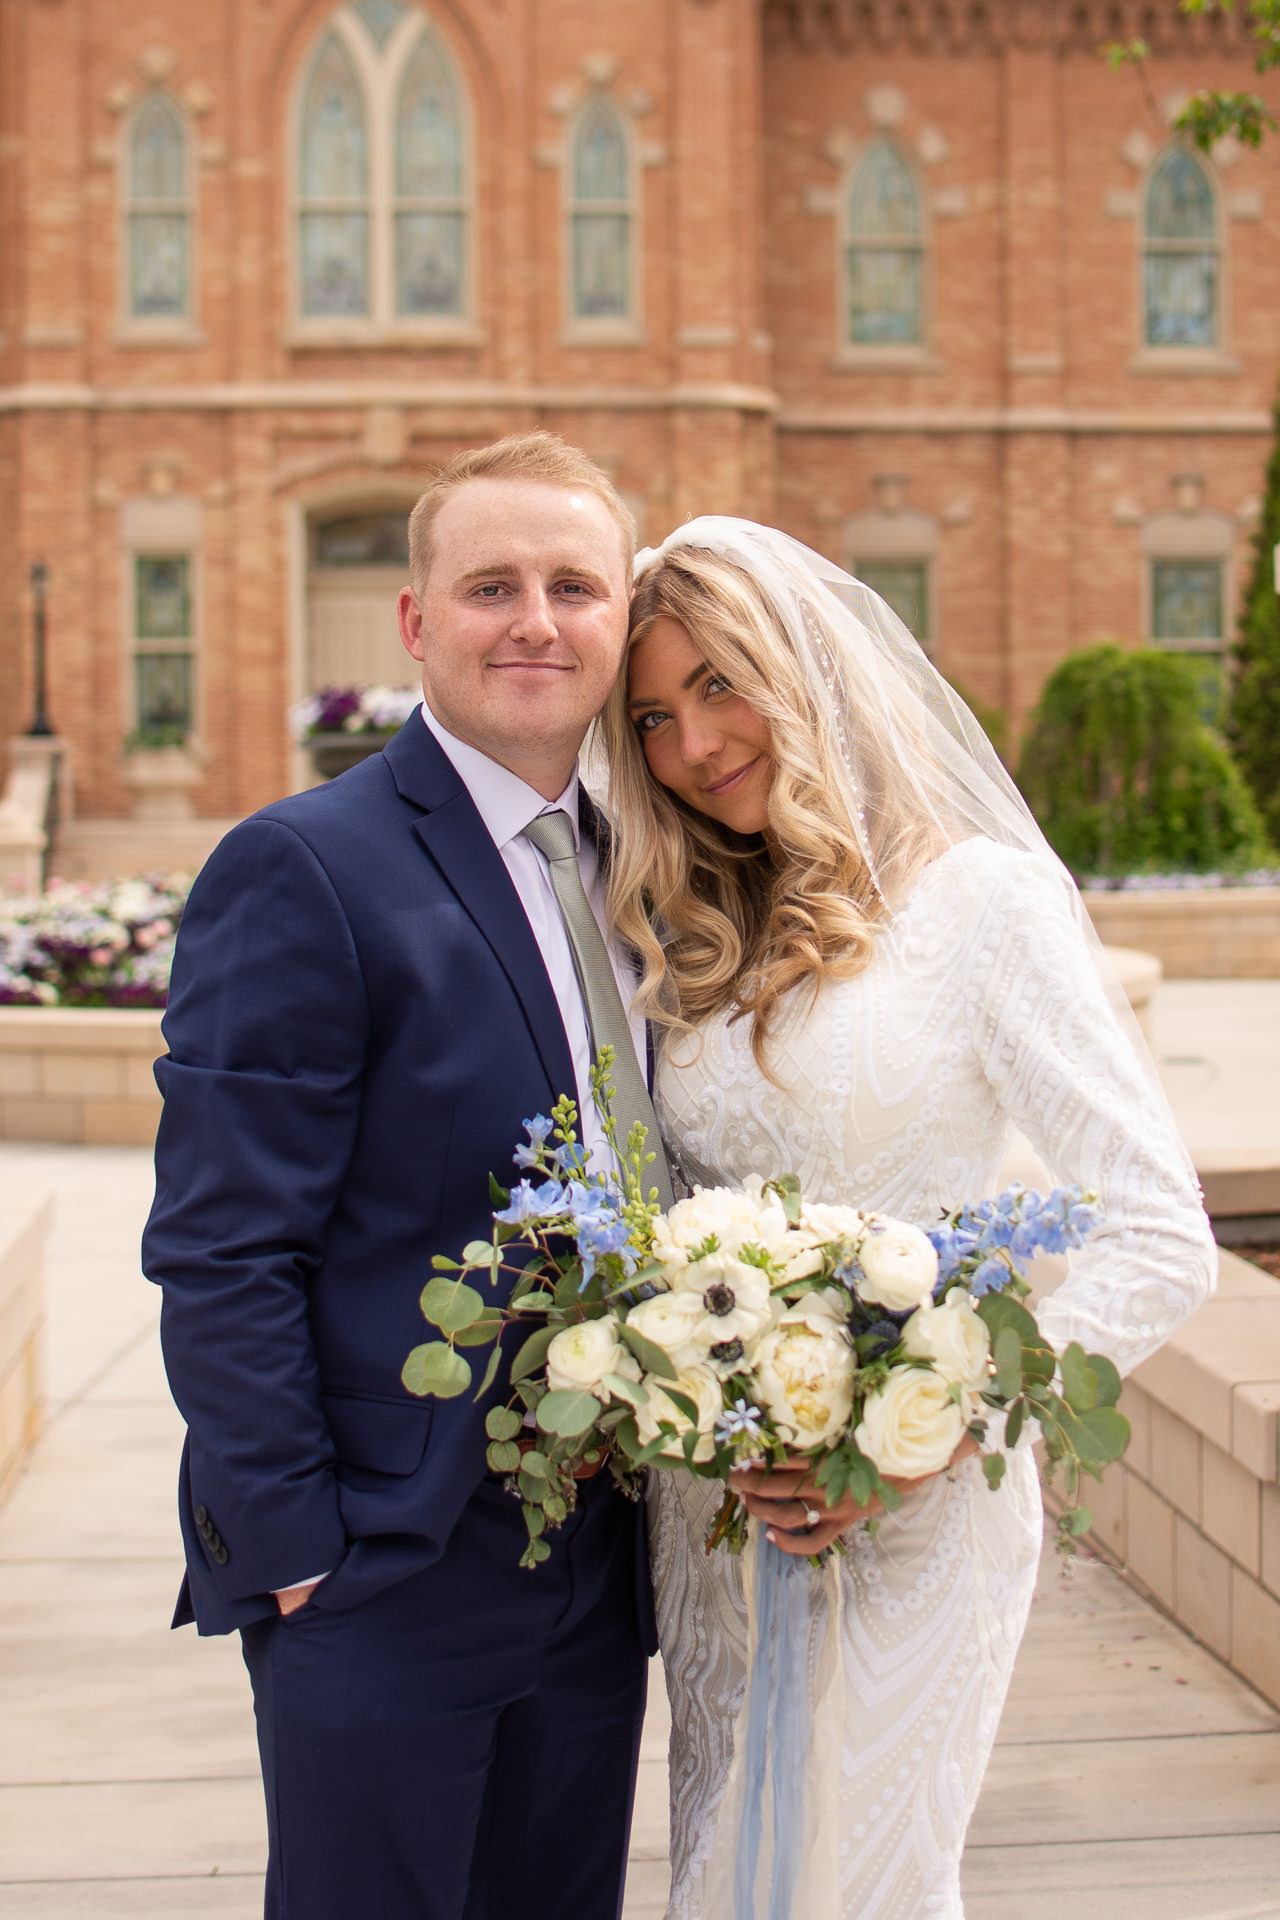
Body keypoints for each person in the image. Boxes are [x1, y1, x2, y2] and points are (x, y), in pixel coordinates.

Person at [595, 517, 1216, 1920]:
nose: (693, 745)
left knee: (862, 1878)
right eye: (651, 715)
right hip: (724, 1514)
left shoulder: (981, 904)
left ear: (807, 670)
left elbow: (1158, 1231)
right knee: (725, 1870)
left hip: (921, 1513)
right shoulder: (688, 931)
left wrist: (934, 1431)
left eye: (719, 684)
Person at [142, 432, 667, 1920]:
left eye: (575, 586)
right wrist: (303, 1553)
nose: (537, 622)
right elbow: (222, 1247)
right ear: (417, 620)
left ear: (620, 622)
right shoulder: (305, 866)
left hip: (598, 1555)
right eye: (492, 585)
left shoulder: (639, 870)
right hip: (385, 1565)